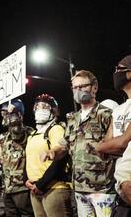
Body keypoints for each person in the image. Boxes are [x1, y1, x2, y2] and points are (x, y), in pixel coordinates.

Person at [41, 70, 115, 217]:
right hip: (80, 189)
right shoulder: (73, 119)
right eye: (75, 87)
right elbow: (64, 146)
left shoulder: (106, 115)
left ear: (94, 87)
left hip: (102, 190)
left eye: (82, 86)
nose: (78, 90)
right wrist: (52, 152)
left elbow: (117, 146)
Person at [25, 94, 73, 217]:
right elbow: (29, 159)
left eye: (45, 107)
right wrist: (26, 179)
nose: (40, 109)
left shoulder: (56, 129)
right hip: (35, 190)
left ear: (53, 111)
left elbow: (60, 159)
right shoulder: (33, 134)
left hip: (53, 188)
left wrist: (40, 184)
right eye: (37, 107)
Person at [95, 54, 131, 216]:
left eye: (119, 69)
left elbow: (121, 142)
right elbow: (105, 144)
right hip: (122, 193)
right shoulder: (118, 110)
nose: (115, 73)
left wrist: (110, 146)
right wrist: (107, 146)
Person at [0, 99, 34, 216]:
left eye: (6, 114)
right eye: (3, 114)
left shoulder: (26, 132)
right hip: (7, 186)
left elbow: (17, 132)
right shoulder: (3, 137)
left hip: (21, 187)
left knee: (27, 214)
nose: (4, 117)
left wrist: (13, 114)